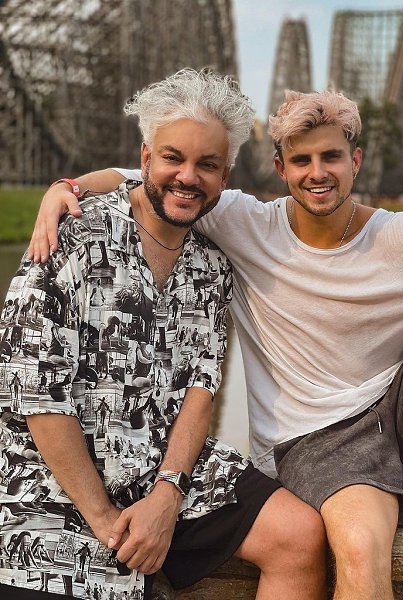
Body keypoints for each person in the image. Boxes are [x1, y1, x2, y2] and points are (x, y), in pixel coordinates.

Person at [29, 88, 403, 598]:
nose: (318, 173)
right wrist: (67, 187)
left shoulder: (397, 233)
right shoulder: (244, 221)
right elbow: (146, 177)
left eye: (331, 157)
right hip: (324, 437)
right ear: (280, 168)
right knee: (361, 546)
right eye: (302, 160)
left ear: (354, 161)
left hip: (402, 411)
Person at [0, 71, 325, 600]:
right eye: (173, 158)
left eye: (208, 165)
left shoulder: (211, 265)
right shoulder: (72, 236)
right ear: (146, 158)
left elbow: (201, 387)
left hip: (161, 466)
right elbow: (36, 395)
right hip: (56, 481)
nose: (188, 177)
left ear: (225, 176)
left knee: (299, 534)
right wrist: (106, 520)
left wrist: (168, 495)